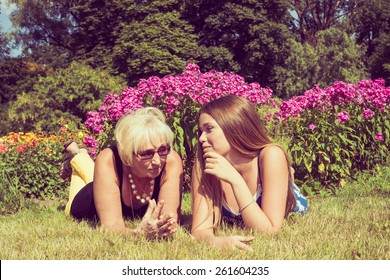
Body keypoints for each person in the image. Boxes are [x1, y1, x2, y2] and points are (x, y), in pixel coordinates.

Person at [191, 95, 307, 250]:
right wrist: (217, 242)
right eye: (201, 131)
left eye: (209, 129)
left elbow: (268, 231)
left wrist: (235, 180)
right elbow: (199, 229)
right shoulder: (204, 165)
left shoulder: (271, 155)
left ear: (233, 125)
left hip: (280, 197)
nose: (201, 138)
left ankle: (286, 179)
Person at [62, 107, 183, 240]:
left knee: (95, 173)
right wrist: (139, 234)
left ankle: (80, 154)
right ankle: (76, 155)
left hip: (107, 180)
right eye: (146, 153)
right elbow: (110, 226)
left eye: (162, 150)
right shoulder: (108, 159)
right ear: (127, 154)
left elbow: (168, 222)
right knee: (86, 176)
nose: (157, 161)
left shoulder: (171, 160)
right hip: (85, 199)